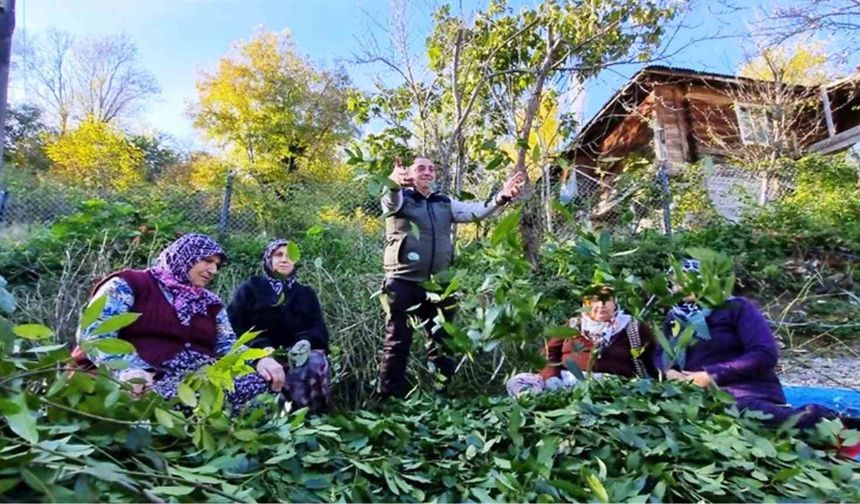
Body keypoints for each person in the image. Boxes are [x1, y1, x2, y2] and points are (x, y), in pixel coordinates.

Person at [74, 233, 285, 411]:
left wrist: (259, 359)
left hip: (195, 381)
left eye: (217, 265)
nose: (213, 270)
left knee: (262, 383)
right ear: (186, 256)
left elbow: (227, 346)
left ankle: (211, 416)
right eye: (207, 261)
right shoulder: (128, 284)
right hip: (141, 378)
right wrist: (127, 371)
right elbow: (95, 334)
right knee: (168, 400)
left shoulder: (210, 302)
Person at [656, 259, 860, 440]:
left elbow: (764, 354)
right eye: (675, 282)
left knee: (742, 414)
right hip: (697, 396)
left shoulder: (737, 308)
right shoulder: (675, 318)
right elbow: (660, 353)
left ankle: (820, 418)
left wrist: (711, 376)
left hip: (746, 392)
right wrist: (669, 372)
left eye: (688, 280)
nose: (680, 287)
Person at [378, 156, 524, 398]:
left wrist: (502, 196)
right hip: (402, 282)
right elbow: (389, 200)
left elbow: (475, 212)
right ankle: (389, 399)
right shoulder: (400, 197)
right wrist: (393, 183)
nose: (427, 172)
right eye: (420, 168)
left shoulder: (444, 202)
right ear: (409, 174)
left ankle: (440, 396)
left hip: (439, 286)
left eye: (431, 169)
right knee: (397, 342)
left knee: (443, 343)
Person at [228, 239, 331, 413]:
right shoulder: (250, 288)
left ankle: (307, 417)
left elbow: (318, 329)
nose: (284, 259)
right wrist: (261, 349)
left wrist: (305, 342)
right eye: (278, 255)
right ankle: (264, 418)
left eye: (289, 256)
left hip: (296, 354)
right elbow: (233, 326)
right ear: (269, 259)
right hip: (256, 353)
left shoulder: (306, 293)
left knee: (315, 362)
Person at [506, 285, 656, 397]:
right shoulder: (573, 325)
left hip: (611, 387)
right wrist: (551, 378)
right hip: (565, 382)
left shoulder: (633, 327)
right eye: (595, 300)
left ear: (615, 303)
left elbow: (654, 358)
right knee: (517, 382)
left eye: (607, 300)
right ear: (586, 305)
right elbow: (548, 353)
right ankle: (538, 408)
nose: (601, 305)